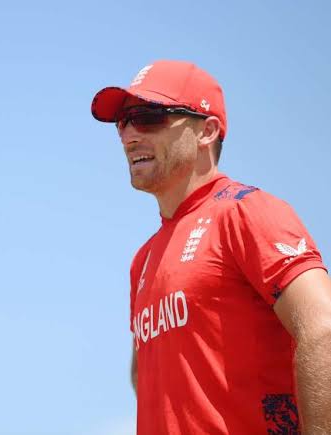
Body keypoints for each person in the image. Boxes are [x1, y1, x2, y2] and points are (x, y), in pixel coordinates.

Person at [91, 61, 331, 434]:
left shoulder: (247, 212)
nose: (130, 136)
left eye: (149, 116)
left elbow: (323, 330)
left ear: (208, 131)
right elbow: (150, 377)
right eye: (123, 122)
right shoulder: (144, 259)